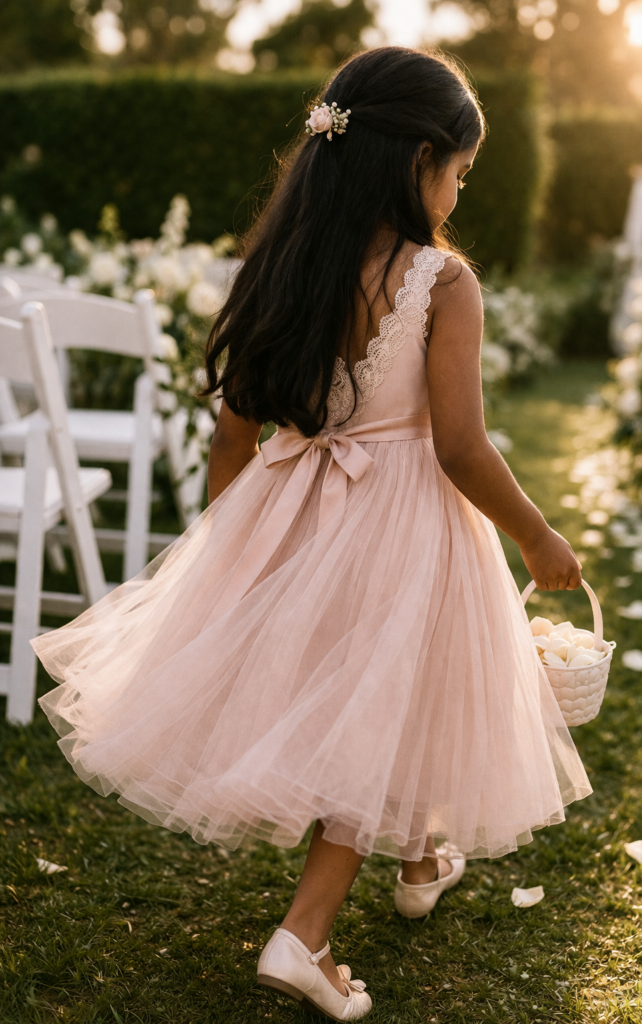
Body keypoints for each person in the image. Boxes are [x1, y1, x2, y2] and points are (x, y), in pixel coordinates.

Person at [33, 46, 590, 1023]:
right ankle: (305, 931)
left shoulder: (284, 259)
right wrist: (539, 538)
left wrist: (234, 547)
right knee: (381, 697)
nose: (459, 191)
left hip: (293, 503)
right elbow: (459, 447)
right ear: (419, 159)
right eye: (460, 172)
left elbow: (232, 428)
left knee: (368, 689)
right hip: (406, 514)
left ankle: (420, 858)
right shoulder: (438, 283)